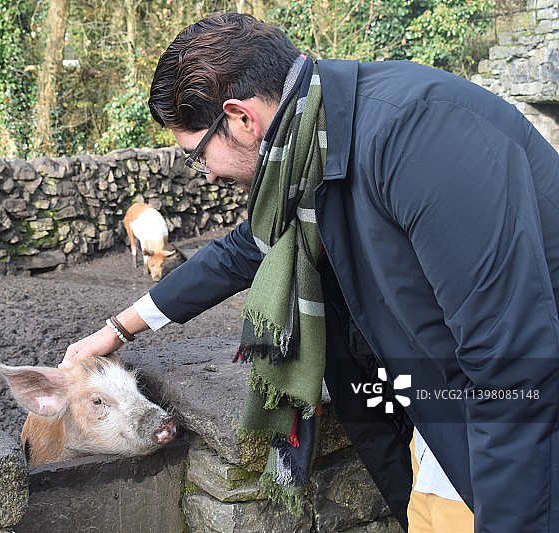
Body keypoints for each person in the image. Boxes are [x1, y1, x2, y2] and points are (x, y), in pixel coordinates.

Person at [61, 13, 559, 533]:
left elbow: (514, 368)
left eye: (196, 156)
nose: (204, 173)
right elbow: (245, 249)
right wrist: (117, 329)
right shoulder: (312, 150)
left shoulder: (418, 133)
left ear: (241, 119)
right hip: (445, 415)